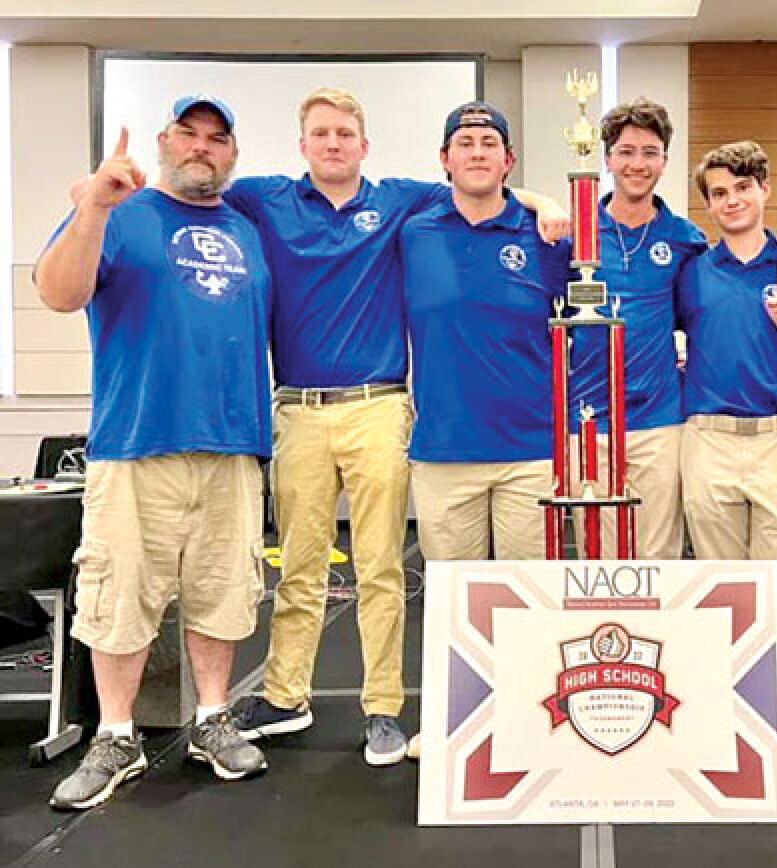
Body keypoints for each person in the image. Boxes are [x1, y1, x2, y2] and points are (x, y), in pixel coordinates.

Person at [227, 90, 567, 766]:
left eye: (345, 133)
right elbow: (195, 193)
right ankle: (285, 695)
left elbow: (487, 186)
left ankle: (384, 708)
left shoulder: (398, 206)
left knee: (381, 567)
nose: (333, 143)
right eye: (320, 133)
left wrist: (543, 201)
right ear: (302, 145)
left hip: (381, 405)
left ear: (365, 145)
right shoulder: (266, 199)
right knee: (300, 567)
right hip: (296, 407)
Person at [36, 97, 271, 809]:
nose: (202, 147)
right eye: (189, 134)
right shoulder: (119, 212)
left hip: (231, 446)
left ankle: (212, 719)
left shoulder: (247, 229)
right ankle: (116, 736)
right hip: (136, 443)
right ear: (166, 141)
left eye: (217, 138)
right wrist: (92, 207)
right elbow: (56, 291)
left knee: (223, 593)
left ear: (232, 154)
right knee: (119, 594)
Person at [678, 140, 777, 761]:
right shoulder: (691, 273)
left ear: (763, 188)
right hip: (707, 439)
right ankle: (721, 714)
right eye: (718, 193)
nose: (731, 201)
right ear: (706, 203)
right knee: (718, 591)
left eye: (742, 188)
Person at [403, 101, 572, 562]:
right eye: (465, 143)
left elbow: (577, 327)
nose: (477, 154)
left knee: (533, 600)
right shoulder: (413, 234)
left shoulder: (546, 238)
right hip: (444, 452)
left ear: (508, 160)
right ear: (445, 158)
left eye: (489, 143)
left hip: (530, 454)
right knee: (455, 607)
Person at [568, 98, 708, 557]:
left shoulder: (686, 238)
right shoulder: (574, 233)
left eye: (650, 152)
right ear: (607, 159)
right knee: (596, 557)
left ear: (665, 161)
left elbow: (713, 311)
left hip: (658, 421)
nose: (637, 164)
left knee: (657, 558)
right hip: (588, 419)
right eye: (626, 152)